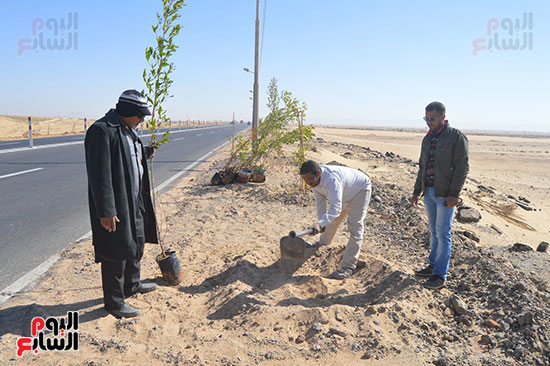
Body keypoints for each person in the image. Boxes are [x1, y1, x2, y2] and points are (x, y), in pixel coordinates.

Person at [85, 89, 159, 318]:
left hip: (134, 199)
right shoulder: (102, 131)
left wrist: (144, 153)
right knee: (115, 251)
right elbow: (100, 175)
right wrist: (106, 211)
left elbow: (126, 157)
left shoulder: (128, 130)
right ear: (128, 112)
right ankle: (115, 302)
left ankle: (132, 285)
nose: (142, 120)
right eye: (140, 115)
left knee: (135, 244)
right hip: (116, 206)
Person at [412, 101, 469, 290]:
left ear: (443, 117)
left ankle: (439, 275)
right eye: (426, 118)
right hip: (428, 191)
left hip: (445, 195)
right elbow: (422, 167)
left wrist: (454, 194)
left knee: (443, 232)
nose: (428, 122)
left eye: (432, 118)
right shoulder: (427, 139)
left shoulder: (455, 137)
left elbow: (462, 168)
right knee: (433, 231)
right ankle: (432, 266)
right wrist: (416, 191)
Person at [300, 160, 372, 279]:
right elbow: (320, 202)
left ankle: (348, 267)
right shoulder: (314, 181)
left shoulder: (332, 179)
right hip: (344, 191)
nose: (307, 182)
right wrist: (321, 225)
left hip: (360, 190)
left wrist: (319, 223)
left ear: (318, 173)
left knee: (355, 226)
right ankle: (322, 244)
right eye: (304, 179)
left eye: (309, 179)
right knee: (331, 221)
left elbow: (335, 209)